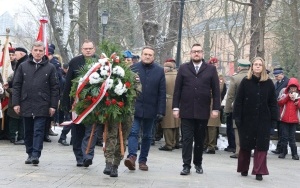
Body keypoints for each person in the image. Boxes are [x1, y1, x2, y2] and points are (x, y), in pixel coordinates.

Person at [172, 43, 220, 175]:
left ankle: (198, 163)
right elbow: (177, 90)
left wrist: (216, 108)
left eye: (198, 51)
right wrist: (175, 107)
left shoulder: (210, 69)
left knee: (199, 139)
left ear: (202, 53)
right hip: (186, 110)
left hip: (202, 110)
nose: (196, 54)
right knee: (187, 139)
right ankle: (186, 165)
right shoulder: (183, 68)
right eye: (194, 52)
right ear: (190, 54)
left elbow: (216, 91)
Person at [12, 41, 59, 165]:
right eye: (36, 50)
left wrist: (53, 105)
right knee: (28, 130)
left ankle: (35, 155)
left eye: (40, 51)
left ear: (44, 52)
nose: (38, 53)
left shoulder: (50, 67)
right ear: (32, 51)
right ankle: (29, 152)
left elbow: (55, 88)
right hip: (26, 102)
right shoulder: (23, 66)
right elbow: (16, 85)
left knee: (38, 130)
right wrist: (16, 103)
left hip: (42, 103)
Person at [233, 57, 278, 181]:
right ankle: (243, 168)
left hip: (264, 120)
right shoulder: (245, 81)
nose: (257, 66)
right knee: (245, 145)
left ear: (263, 67)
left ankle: (259, 171)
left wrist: (274, 121)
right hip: (247, 119)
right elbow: (238, 101)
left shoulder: (269, 83)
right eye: (255, 64)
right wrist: (237, 117)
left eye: (260, 64)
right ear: (252, 66)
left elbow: (273, 103)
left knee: (261, 146)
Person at [124, 46, 166, 171]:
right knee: (133, 132)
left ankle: (143, 160)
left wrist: (161, 111)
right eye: (145, 54)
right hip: (135, 108)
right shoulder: (133, 69)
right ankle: (132, 157)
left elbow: (162, 92)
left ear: (153, 57)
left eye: (150, 55)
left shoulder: (159, 71)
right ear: (141, 55)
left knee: (147, 136)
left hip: (151, 109)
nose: (147, 56)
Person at [61, 39, 100, 167]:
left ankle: (87, 155)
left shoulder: (100, 63)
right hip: (76, 103)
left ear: (94, 49)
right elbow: (68, 83)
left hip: (93, 103)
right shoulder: (74, 62)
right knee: (78, 131)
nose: (88, 50)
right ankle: (79, 156)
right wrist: (65, 102)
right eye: (85, 48)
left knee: (91, 130)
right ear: (81, 50)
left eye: (90, 48)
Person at [224, 59, 251, 158]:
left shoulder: (235, 78)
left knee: (237, 130)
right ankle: (249, 150)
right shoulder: (253, 77)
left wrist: (227, 109)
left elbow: (230, 96)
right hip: (252, 109)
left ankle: (239, 151)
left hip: (238, 108)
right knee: (249, 129)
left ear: (239, 67)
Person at [204, 57, 226, 154]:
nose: (214, 66)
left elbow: (219, 90)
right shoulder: (206, 74)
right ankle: (205, 144)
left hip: (213, 102)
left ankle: (211, 146)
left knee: (212, 126)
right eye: (212, 64)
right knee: (205, 125)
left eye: (215, 64)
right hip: (205, 103)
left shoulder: (219, 77)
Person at [7, 47, 28, 145]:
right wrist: (10, 84)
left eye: (15, 54)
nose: (14, 56)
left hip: (21, 94)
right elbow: (16, 79)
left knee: (20, 118)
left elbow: (20, 80)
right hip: (16, 93)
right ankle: (15, 137)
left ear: (21, 54)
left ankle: (20, 137)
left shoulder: (24, 64)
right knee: (14, 117)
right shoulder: (20, 63)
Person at [158, 58, 180, 151]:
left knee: (167, 124)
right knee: (176, 124)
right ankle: (175, 142)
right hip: (178, 102)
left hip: (167, 101)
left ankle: (168, 144)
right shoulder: (179, 76)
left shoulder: (164, 77)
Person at [277, 78, 300, 160]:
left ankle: (294, 154)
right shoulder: (284, 94)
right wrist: (287, 97)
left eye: (295, 88)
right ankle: (283, 152)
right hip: (284, 119)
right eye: (291, 87)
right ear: (289, 87)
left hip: (294, 120)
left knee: (292, 138)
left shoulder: (299, 96)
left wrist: (297, 102)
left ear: (297, 88)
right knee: (284, 137)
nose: (293, 89)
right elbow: (280, 103)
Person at [271, 67, 289, 155]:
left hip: (283, 109)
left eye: (277, 76)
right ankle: (279, 147)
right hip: (277, 109)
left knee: (282, 130)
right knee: (279, 129)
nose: (276, 77)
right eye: (275, 76)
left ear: (282, 74)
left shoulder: (287, 82)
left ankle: (282, 148)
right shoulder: (277, 83)